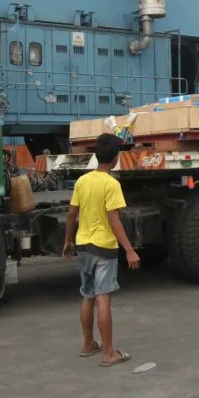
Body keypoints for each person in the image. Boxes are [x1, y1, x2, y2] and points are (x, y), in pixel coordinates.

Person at [62, 133, 141, 366]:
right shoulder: (111, 184)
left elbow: (71, 213)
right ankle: (109, 353)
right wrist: (129, 249)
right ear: (115, 158)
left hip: (83, 245)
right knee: (103, 297)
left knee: (87, 296)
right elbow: (114, 219)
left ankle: (88, 344)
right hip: (104, 248)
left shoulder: (83, 181)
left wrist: (67, 240)